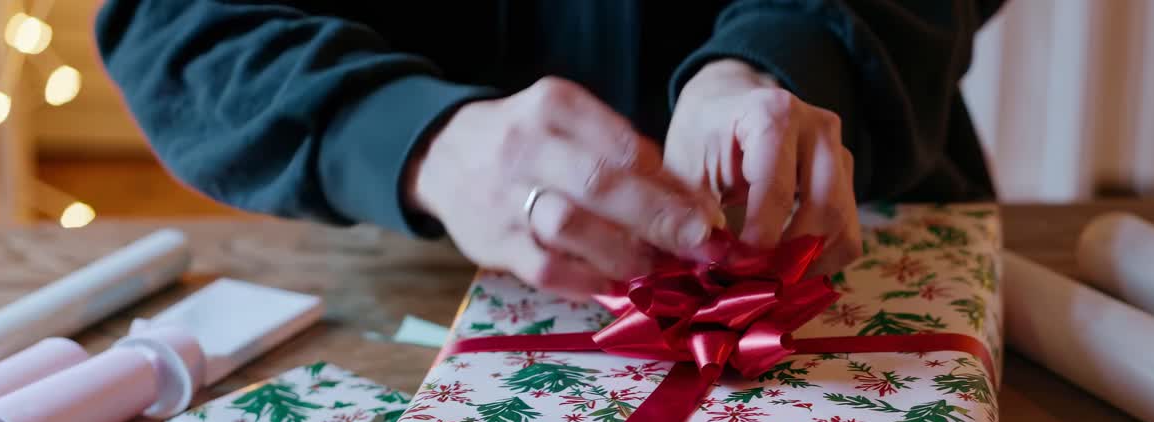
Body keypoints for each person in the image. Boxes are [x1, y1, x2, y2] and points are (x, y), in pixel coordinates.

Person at [96, 1, 1003, 296]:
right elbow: (174, 22)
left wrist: (778, 55)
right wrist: (421, 139)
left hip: (854, 238)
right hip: (405, 293)